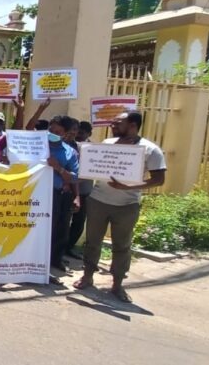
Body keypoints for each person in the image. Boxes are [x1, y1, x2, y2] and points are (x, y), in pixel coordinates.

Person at [74, 112, 165, 303]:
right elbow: (92, 168)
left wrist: (128, 187)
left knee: (122, 245)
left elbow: (158, 179)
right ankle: (87, 276)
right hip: (98, 201)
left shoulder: (150, 150)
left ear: (133, 125)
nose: (112, 125)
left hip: (127, 205)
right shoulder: (107, 143)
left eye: (118, 123)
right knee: (92, 242)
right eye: (113, 122)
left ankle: (117, 285)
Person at [46, 116, 80, 275]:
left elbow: (74, 177)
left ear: (65, 134)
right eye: (50, 130)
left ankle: (56, 260)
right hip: (37, 194)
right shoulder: (38, 145)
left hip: (58, 195)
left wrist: (58, 168)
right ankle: (39, 263)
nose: (52, 133)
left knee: (61, 230)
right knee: (41, 230)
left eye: (57, 132)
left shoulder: (70, 152)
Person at [67, 121, 94, 258]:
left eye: (82, 133)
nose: (78, 135)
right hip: (68, 190)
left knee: (79, 222)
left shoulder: (94, 149)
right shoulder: (71, 146)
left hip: (84, 191)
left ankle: (69, 247)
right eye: (77, 131)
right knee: (64, 222)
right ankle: (59, 250)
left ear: (89, 134)